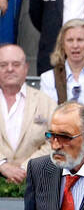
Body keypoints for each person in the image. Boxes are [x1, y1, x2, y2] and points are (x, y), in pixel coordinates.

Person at [0, 44, 56, 182]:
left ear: (26, 68)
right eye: (3, 65)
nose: (10, 69)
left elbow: (55, 140)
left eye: (16, 64)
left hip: (38, 182)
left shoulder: (46, 103)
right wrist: (2, 165)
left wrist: (26, 168)